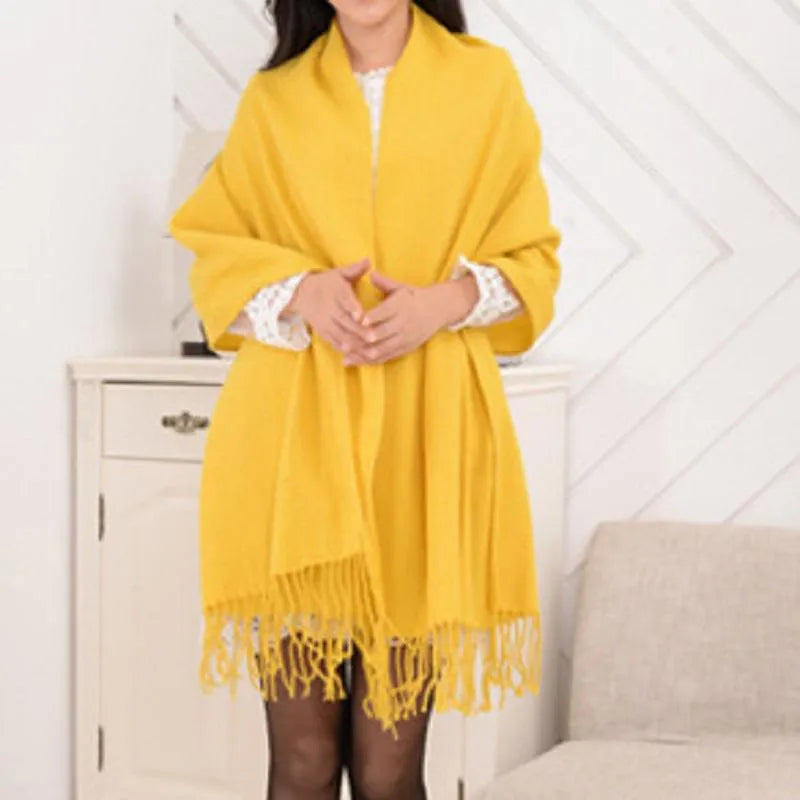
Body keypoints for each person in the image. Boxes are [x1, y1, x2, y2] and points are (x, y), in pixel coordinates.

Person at [168, 1, 562, 798]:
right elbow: (215, 253)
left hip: (423, 446)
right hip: (295, 449)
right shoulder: (274, 99)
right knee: (303, 763)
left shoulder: (484, 83)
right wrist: (303, 292)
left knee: (389, 772)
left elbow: (533, 258)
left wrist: (442, 303)